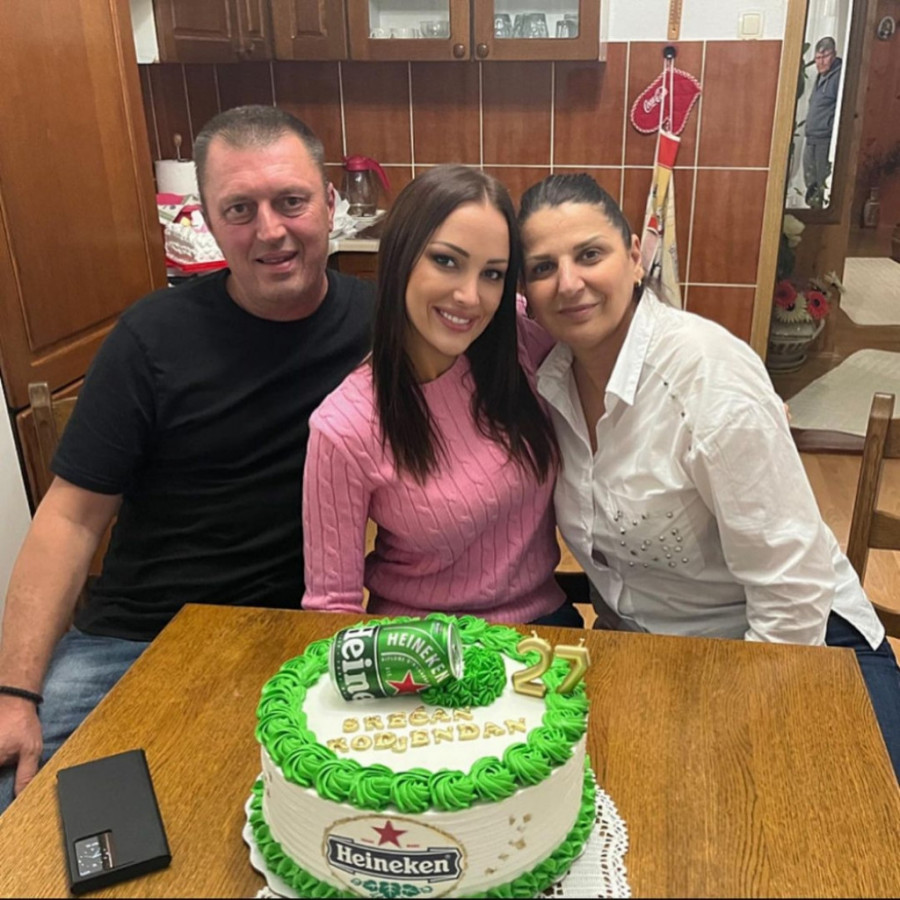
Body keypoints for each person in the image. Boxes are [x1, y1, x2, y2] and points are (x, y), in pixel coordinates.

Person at [0, 106, 375, 810]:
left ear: (330, 205)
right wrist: (14, 693)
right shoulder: (150, 339)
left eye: (291, 201)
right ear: (207, 220)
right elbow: (70, 520)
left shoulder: (382, 326)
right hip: (133, 642)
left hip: (300, 640)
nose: (270, 230)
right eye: (240, 209)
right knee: (20, 802)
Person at [517, 172, 900, 779]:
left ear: (635, 257)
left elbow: (792, 589)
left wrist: (732, 725)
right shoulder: (549, 379)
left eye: (590, 254)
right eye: (543, 267)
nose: (568, 282)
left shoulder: (706, 380)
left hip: (804, 648)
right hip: (655, 659)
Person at [301, 164, 576, 626]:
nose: (469, 296)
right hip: (417, 642)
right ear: (401, 256)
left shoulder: (523, 345)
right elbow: (331, 610)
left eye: (492, 274)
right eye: (447, 261)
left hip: (540, 631)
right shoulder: (345, 426)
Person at [803, 36, 843, 207]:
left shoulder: (839, 76)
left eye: (825, 57)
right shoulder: (820, 76)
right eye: (818, 58)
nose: (820, 62)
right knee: (810, 184)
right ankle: (812, 210)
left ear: (834, 55)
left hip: (824, 140)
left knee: (822, 184)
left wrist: (829, 127)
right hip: (811, 138)